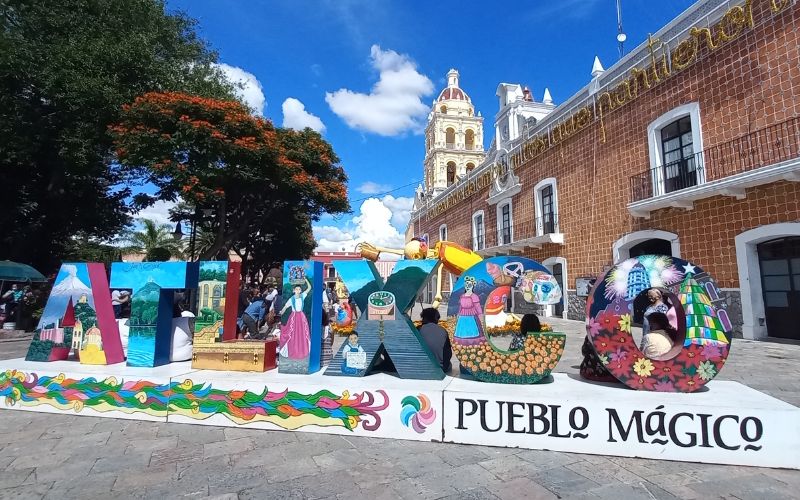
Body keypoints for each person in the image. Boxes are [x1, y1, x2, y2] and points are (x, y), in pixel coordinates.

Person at [278, 278, 312, 359]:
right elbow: (285, 307)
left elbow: (309, 288)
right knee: (293, 333)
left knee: (302, 333)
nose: (298, 290)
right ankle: (294, 349)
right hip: (294, 317)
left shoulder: (302, 296)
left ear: (301, 290)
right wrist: (281, 312)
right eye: (296, 289)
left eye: (299, 289)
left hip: (301, 317)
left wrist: (306, 279)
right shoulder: (291, 299)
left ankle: (302, 350)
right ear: (293, 290)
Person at [418, 307, 452, 372]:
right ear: (436, 319)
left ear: (424, 318)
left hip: (421, 366)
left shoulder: (419, 329)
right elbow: (448, 353)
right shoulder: (443, 331)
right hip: (440, 368)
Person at [454, 276, 483, 344]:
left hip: (472, 315)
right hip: (462, 315)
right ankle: (462, 341)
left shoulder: (474, 296)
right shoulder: (462, 296)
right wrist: (458, 313)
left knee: (472, 328)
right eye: (466, 285)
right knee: (462, 329)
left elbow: (477, 307)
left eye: (469, 285)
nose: (467, 286)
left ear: (472, 286)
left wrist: (480, 315)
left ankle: (472, 341)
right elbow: (460, 306)